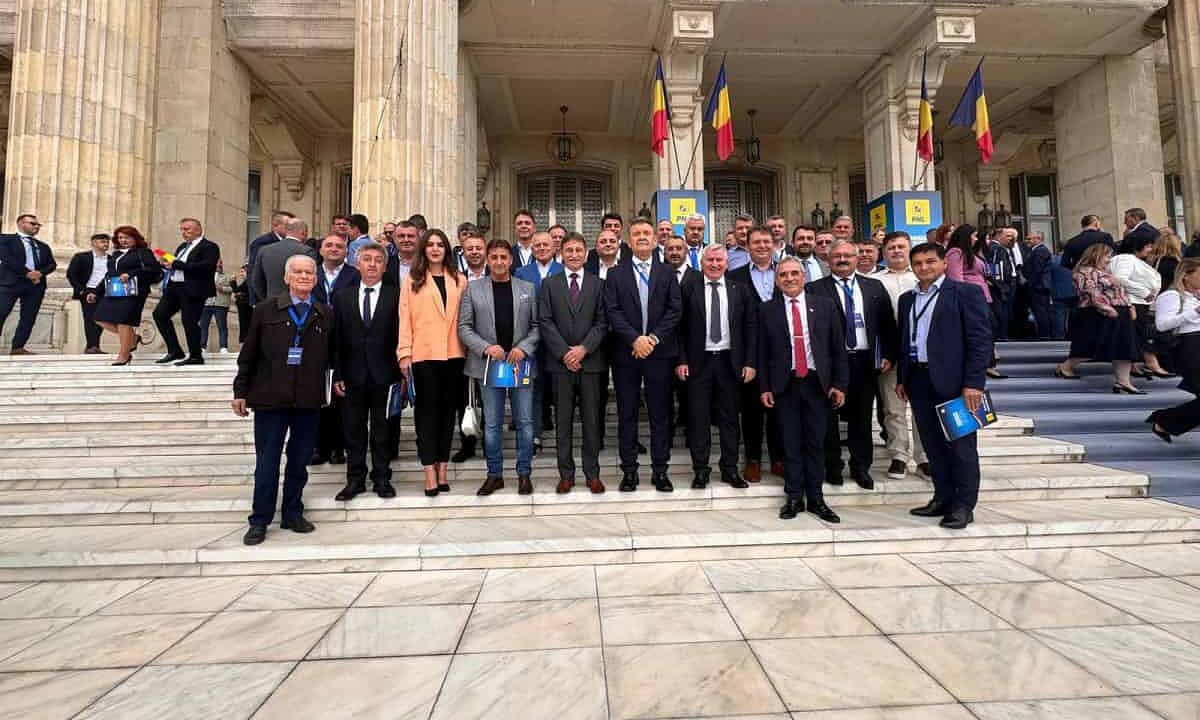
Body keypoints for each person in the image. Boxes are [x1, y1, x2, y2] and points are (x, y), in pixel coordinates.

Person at [233, 254, 333, 546]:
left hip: (307, 400)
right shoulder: (266, 309)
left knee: (299, 461)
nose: (304, 277)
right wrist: (240, 390)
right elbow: (249, 353)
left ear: (315, 279)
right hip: (270, 398)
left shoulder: (324, 313)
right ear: (287, 277)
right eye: (298, 272)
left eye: (309, 273)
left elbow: (333, 355)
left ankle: (292, 512)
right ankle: (259, 520)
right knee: (267, 462)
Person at [896, 243, 991, 529]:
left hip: (956, 383)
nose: (924, 267)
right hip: (919, 380)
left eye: (930, 261)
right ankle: (942, 497)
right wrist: (902, 378)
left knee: (961, 447)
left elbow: (980, 341)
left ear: (943, 263)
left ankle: (964, 505)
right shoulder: (907, 299)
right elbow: (905, 340)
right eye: (918, 263)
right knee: (933, 445)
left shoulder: (965, 293)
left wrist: (973, 383)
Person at [759, 257, 848, 523]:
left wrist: (839, 384)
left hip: (817, 384)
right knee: (790, 443)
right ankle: (794, 497)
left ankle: (817, 499)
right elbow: (762, 353)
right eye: (783, 275)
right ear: (777, 281)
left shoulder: (825, 306)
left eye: (794, 273)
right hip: (784, 385)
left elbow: (837, 349)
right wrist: (765, 387)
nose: (789, 278)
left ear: (804, 276)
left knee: (816, 442)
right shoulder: (767, 310)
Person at [807, 239, 898, 489]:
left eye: (848, 255)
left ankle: (861, 467)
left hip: (864, 361)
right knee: (828, 417)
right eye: (837, 256)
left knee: (861, 417)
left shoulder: (874, 286)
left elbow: (887, 324)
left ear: (857, 259)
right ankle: (833, 466)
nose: (842, 260)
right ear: (828, 260)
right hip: (829, 364)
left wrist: (889, 354)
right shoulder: (814, 288)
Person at [604, 217, 682, 492]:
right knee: (627, 414)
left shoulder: (667, 272)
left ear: (655, 238)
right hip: (627, 354)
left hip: (659, 353)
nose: (641, 237)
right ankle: (629, 471)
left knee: (660, 414)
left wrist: (652, 338)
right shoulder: (615, 273)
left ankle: (660, 470)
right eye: (636, 233)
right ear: (629, 240)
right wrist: (635, 339)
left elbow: (675, 310)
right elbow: (612, 310)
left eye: (646, 233)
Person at [458, 239, 540, 495]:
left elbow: (537, 326)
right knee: (492, 425)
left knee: (525, 422)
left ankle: (524, 473)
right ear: (487, 259)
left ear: (511, 260)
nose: (499, 262)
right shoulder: (473, 289)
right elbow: (464, 327)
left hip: (519, 364)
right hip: (488, 365)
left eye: (503, 257)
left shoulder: (527, 288)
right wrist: (485, 347)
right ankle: (494, 475)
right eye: (494, 257)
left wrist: (523, 348)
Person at [676, 244, 758, 489]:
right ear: (702, 263)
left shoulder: (740, 290)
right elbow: (679, 329)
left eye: (719, 260)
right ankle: (701, 470)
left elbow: (750, 328)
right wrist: (681, 360)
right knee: (698, 419)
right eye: (709, 260)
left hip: (729, 363)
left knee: (730, 419)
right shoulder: (688, 288)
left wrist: (750, 362)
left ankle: (729, 469)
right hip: (697, 363)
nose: (714, 264)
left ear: (726, 263)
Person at [395, 230, 466, 497]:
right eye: (431, 245)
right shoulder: (412, 280)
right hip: (424, 356)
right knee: (426, 417)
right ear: (423, 249)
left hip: (454, 356)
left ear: (446, 250)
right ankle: (429, 473)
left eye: (440, 245)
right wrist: (404, 354)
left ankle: (443, 469)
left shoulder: (459, 279)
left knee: (448, 416)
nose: (435, 249)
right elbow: (404, 319)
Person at [539, 232, 609, 493]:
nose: (574, 255)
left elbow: (603, 322)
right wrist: (564, 353)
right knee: (563, 422)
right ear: (561, 254)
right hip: (560, 365)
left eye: (579, 250)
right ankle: (566, 474)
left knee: (592, 422)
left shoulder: (599, 284)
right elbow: (545, 321)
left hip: (591, 363)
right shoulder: (549, 284)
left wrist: (583, 349)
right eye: (569, 250)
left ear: (586, 254)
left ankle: (592, 474)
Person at [329, 241, 401, 499]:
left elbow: (401, 336)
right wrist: (337, 373)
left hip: (386, 374)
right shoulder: (342, 296)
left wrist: (402, 374)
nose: (372, 264)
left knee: (383, 431)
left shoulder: (397, 295)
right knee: (353, 430)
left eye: (378, 260)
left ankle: (382, 478)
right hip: (352, 376)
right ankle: (355, 479)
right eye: (367, 259)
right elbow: (336, 339)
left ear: (385, 267)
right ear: (356, 264)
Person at [870, 231, 929, 479]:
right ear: (884, 252)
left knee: (922, 408)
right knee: (893, 408)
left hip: (920, 353)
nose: (896, 251)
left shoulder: (923, 277)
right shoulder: (874, 281)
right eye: (891, 247)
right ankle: (898, 456)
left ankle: (924, 457)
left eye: (900, 247)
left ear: (909, 249)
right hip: (891, 353)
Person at [729, 227, 784, 481]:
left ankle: (778, 458)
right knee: (751, 409)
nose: (762, 246)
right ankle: (752, 459)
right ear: (747, 246)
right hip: (749, 352)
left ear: (774, 244)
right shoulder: (735, 276)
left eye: (766, 241)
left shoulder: (787, 272)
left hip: (782, 351)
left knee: (779, 408)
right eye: (756, 242)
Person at [1056, 244, 1142, 393]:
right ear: (1096, 255)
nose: (1109, 259)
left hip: (1119, 312)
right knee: (1093, 346)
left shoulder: (1105, 272)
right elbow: (1091, 293)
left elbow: (1119, 291)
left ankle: (1123, 381)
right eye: (1107, 256)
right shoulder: (1086, 271)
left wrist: (1129, 306)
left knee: (1124, 347)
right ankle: (1066, 367)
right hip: (1098, 314)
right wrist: (1107, 309)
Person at [309, 234, 359, 467]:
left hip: (345, 341)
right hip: (314, 339)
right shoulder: (310, 273)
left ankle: (339, 447)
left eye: (339, 246)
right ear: (321, 250)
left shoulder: (354, 275)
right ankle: (319, 446)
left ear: (346, 251)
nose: (334, 249)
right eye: (329, 245)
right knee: (317, 396)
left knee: (341, 398)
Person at [514, 231, 564, 452]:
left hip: (559, 341)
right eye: (538, 245)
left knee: (560, 390)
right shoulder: (521, 273)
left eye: (546, 245)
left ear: (554, 248)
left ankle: (563, 437)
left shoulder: (563, 270)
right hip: (531, 341)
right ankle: (533, 436)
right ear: (532, 249)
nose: (542, 248)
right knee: (532, 389)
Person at [153, 218, 220, 366]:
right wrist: (165, 263)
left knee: (189, 321)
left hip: (194, 289)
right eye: (182, 229)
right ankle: (175, 350)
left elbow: (206, 266)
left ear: (198, 230)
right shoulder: (182, 246)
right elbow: (178, 264)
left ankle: (196, 356)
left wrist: (176, 264)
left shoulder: (209, 246)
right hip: (174, 287)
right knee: (159, 314)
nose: (183, 232)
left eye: (187, 229)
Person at [1148, 258, 1200, 441]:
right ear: (1186, 276)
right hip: (1189, 348)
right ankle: (1165, 421)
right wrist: (1195, 312)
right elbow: (1162, 325)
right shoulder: (1171, 296)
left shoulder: (1195, 296)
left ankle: (1165, 422)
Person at [94, 226, 162, 365]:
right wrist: (96, 292)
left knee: (124, 322)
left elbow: (153, 269)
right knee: (99, 318)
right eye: (120, 237)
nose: (123, 240)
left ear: (134, 238)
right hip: (115, 290)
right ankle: (133, 339)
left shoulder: (143, 252)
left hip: (134, 292)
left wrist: (130, 274)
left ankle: (124, 355)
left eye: (126, 237)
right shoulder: (116, 254)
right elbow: (109, 274)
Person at [1110, 235, 1173, 379]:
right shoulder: (1125, 259)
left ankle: (1136, 366)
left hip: (1139, 302)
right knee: (1142, 334)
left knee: (1138, 335)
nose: (1151, 249)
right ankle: (1152, 364)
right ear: (1137, 246)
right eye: (1148, 246)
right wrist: (1144, 292)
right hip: (1133, 303)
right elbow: (1120, 279)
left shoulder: (1132, 260)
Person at [452, 232, 488, 464]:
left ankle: (489, 442)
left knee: (489, 399)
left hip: (491, 348)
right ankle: (467, 443)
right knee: (464, 399)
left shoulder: (497, 274)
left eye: (478, 248)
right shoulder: (455, 278)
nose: (474, 252)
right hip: (462, 347)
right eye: (470, 248)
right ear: (463, 252)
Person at [0, 214, 56, 355]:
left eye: (38, 225)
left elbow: (52, 265)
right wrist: (27, 273)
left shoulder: (43, 246)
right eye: (32, 223)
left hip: (35, 286)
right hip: (10, 283)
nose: (36, 227)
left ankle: (18, 347)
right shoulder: (5, 239)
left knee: (29, 317)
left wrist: (40, 273)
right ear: (20, 224)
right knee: (1, 312)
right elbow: (7, 259)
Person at [252, 218, 317, 304]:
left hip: (271, 304)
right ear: (303, 232)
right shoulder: (307, 251)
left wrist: (267, 300)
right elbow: (312, 280)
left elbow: (256, 281)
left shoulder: (264, 250)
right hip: (297, 304)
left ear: (287, 231)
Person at [66, 233, 112, 353]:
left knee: (102, 319)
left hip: (105, 292)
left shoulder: (112, 259)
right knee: (90, 318)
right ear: (94, 243)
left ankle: (94, 346)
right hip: (87, 290)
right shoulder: (81, 257)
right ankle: (92, 346)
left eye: (107, 242)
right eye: (103, 241)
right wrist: (81, 290)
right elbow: (71, 274)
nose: (106, 244)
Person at [245, 211, 294, 303]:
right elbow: (254, 273)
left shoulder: (293, 243)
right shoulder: (262, 243)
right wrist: (259, 300)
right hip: (267, 298)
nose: (291, 228)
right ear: (275, 226)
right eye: (288, 225)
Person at [199, 260, 233, 354]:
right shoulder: (205, 276)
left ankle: (223, 347)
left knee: (222, 326)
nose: (219, 265)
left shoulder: (226, 276)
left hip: (220, 304)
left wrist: (221, 288)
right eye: (218, 263)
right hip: (207, 304)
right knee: (203, 326)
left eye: (221, 263)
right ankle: (202, 347)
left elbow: (232, 288)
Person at [384, 221, 419, 286]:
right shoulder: (386, 265)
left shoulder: (427, 264)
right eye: (401, 236)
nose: (406, 240)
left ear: (418, 239)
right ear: (394, 239)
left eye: (410, 236)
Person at [231, 264, 253, 344]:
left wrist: (233, 281)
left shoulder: (249, 282)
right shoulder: (247, 282)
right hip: (244, 307)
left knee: (245, 326)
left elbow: (237, 290)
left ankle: (245, 342)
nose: (241, 274)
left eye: (242, 272)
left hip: (246, 308)